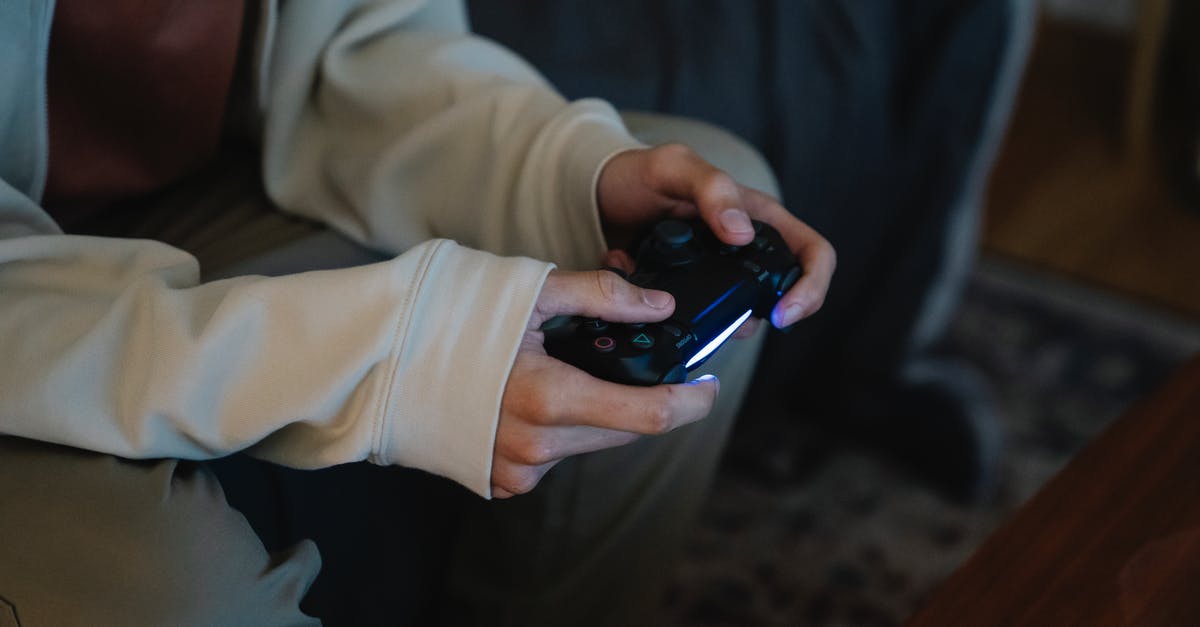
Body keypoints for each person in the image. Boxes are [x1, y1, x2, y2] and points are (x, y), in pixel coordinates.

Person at [0, 1, 833, 625]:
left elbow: (363, 45)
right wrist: (404, 354)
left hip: (186, 202)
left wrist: (572, 173)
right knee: (182, 591)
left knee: (708, 200)